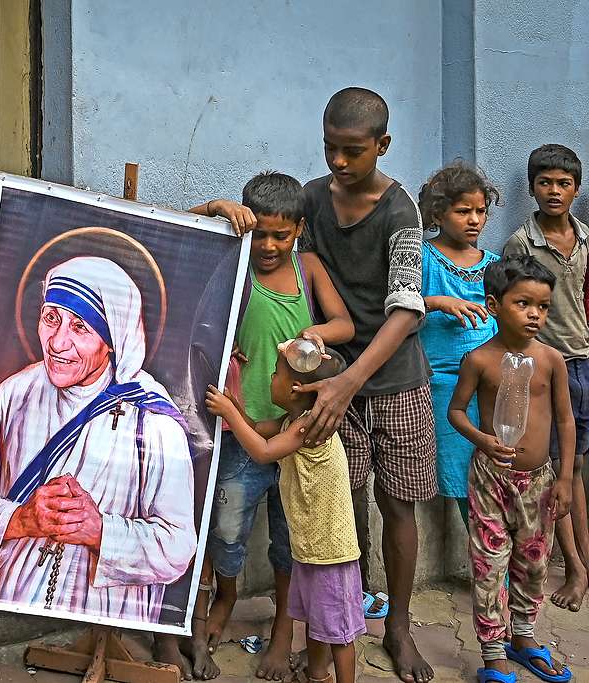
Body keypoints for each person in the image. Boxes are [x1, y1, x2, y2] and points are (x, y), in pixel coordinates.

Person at [156, 173, 355, 681]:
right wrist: (215, 206)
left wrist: (310, 335)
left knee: (291, 541)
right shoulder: (233, 262)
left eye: (280, 235)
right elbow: (173, 237)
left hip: (295, 436)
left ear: (298, 231)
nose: (268, 245)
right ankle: (225, 596)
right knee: (224, 532)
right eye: (260, 233)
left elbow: (345, 325)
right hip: (241, 431)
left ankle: (284, 631)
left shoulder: (307, 268)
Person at [0, 256, 197, 623]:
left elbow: (178, 547)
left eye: (80, 327)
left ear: (112, 340)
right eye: (51, 318)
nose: (58, 342)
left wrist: (100, 531)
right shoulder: (15, 394)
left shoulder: (152, 423)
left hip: (100, 615)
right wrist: (21, 519)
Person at [297, 87, 435, 683]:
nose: (338, 163)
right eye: (330, 148)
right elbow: (271, 240)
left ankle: (399, 626)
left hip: (395, 382)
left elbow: (406, 311)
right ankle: (338, 630)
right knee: (341, 511)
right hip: (331, 384)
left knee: (396, 507)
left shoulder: (401, 213)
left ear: (383, 145)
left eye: (352, 151)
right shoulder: (310, 200)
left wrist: (350, 382)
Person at [447, 255, 574, 683]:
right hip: (490, 479)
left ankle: (523, 637)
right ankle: (492, 652)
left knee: (534, 563)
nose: (535, 314)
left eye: (543, 306)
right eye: (524, 303)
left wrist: (564, 478)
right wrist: (482, 439)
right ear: (494, 304)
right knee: (489, 565)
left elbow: (564, 421)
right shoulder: (479, 360)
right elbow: (457, 412)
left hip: (538, 482)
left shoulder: (552, 359)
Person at [205, 348, 364, 683]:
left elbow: (263, 452)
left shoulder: (310, 427)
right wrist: (234, 407)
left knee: (338, 631)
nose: (270, 378)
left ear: (294, 388)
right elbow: (258, 430)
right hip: (309, 547)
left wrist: (230, 414)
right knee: (317, 620)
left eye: (276, 374)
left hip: (330, 551)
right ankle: (317, 675)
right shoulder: (293, 421)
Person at [502, 144, 589, 612]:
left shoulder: (585, 237)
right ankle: (574, 567)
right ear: (532, 188)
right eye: (544, 183)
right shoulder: (521, 242)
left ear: (576, 189)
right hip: (545, 368)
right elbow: (514, 306)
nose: (554, 192)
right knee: (557, 469)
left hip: (584, 364)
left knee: (577, 467)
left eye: (563, 183)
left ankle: (581, 567)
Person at [417, 162, 501, 523]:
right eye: (463, 211)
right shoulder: (423, 258)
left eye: (481, 211)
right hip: (445, 383)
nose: (474, 220)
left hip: (493, 384)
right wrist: (437, 302)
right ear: (438, 212)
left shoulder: (495, 266)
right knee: (462, 470)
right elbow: (397, 306)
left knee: (497, 468)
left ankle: (500, 565)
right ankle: (487, 561)